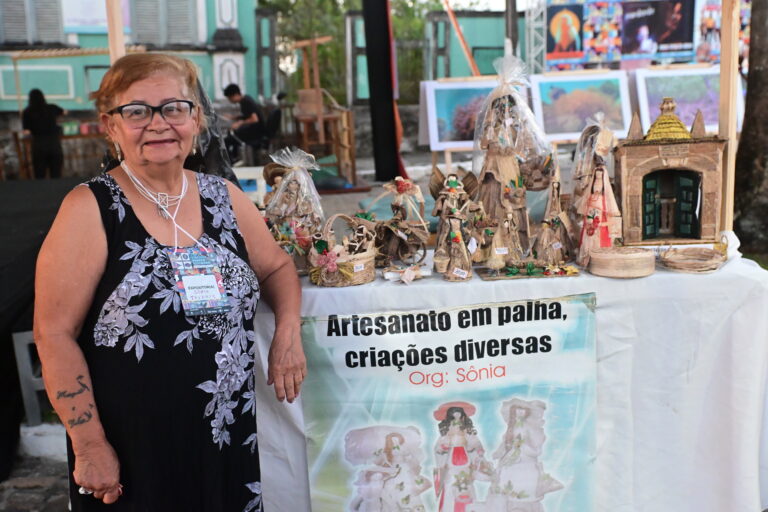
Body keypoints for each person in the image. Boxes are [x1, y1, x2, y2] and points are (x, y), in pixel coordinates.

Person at [33, 53, 306, 511]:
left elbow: (277, 267)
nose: (158, 123)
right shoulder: (90, 208)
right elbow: (54, 333)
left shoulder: (223, 196)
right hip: (135, 451)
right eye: (137, 111)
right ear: (111, 125)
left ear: (196, 119)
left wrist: (288, 331)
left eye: (174, 108)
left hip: (226, 440)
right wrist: (89, 443)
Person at [433, 402, 491, 511]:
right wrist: (444, 447)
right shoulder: (446, 435)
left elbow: (475, 443)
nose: (457, 421)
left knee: (466, 484)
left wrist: (478, 450)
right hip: (450, 462)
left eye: (459, 416)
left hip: (465, 461)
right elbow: (438, 448)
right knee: (450, 483)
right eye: (454, 417)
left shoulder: (467, 432)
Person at [22, 89, 66, 179]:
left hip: (38, 145)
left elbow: (26, 131)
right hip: (54, 144)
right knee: (56, 174)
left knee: (40, 175)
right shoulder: (52, 108)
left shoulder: (27, 111)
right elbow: (64, 112)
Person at [223, 83, 266, 163]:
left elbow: (254, 119)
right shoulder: (245, 99)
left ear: (236, 95)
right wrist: (234, 117)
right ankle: (235, 157)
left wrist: (240, 123)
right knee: (231, 134)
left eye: (230, 98)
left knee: (228, 139)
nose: (229, 100)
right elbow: (248, 116)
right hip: (255, 129)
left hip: (257, 132)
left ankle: (231, 161)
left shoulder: (246, 102)